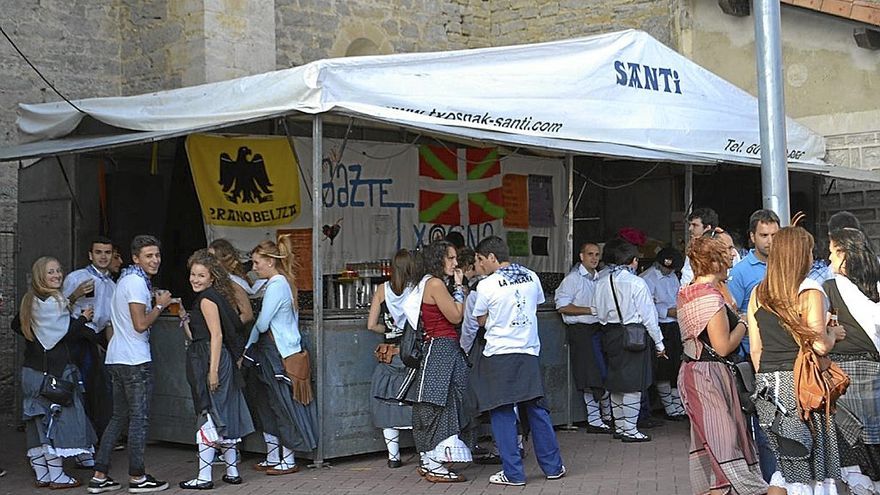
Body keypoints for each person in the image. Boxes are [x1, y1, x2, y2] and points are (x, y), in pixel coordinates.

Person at [747, 226, 846, 495]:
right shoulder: (809, 292)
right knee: (811, 465)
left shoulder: (759, 292)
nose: (813, 256)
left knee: (785, 465)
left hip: (768, 384)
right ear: (799, 255)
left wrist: (766, 378)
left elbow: (755, 348)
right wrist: (832, 333)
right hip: (802, 386)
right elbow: (819, 345)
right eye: (811, 250)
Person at [471, 236, 566, 486]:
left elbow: (479, 319)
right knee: (537, 409)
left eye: (480, 260)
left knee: (502, 413)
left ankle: (513, 474)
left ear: (492, 257)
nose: (479, 265)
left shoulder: (487, 285)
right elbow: (535, 305)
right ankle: (553, 467)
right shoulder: (531, 276)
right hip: (528, 351)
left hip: (499, 354)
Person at [677, 236, 768, 495]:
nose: (731, 258)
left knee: (713, 445)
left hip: (695, 372)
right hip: (708, 374)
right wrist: (744, 323)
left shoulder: (689, 291)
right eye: (726, 253)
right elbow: (723, 346)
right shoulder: (710, 298)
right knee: (724, 445)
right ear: (715, 261)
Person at [89, 235, 174, 494]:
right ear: (136, 258)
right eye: (149, 256)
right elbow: (140, 324)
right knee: (139, 419)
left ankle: (99, 475)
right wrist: (160, 305)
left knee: (118, 417)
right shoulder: (136, 283)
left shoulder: (124, 280)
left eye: (157, 255)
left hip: (117, 357)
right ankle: (137, 477)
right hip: (134, 359)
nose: (155, 260)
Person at [17, 257, 99, 490]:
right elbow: (63, 333)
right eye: (50, 272)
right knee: (59, 422)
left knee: (37, 423)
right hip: (52, 373)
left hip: (31, 372)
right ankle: (57, 476)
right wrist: (83, 319)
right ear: (40, 276)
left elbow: (18, 325)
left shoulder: (29, 300)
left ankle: (43, 475)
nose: (57, 275)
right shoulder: (53, 302)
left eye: (58, 270)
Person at [176, 249, 255, 489]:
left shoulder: (207, 299)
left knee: (209, 414)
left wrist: (212, 371)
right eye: (193, 274)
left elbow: (216, 335)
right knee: (226, 413)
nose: (195, 279)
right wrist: (185, 320)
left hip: (211, 359)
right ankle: (231, 472)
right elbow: (201, 335)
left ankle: (203, 477)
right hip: (218, 358)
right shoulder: (214, 297)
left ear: (212, 277)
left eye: (201, 275)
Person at [244, 235, 318, 475]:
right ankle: (276, 456)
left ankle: (285, 458)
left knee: (278, 404)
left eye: (256, 262)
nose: (254, 267)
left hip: (277, 353)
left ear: (270, 262)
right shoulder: (281, 282)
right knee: (270, 404)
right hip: (280, 351)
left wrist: (247, 346)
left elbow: (263, 323)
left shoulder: (276, 285)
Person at [399, 240, 472, 482]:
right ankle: (434, 461)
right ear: (438, 259)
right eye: (450, 258)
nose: (455, 263)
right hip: (442, 347)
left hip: (438, 348)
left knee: (437, 401)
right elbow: (455, 316)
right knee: (440, 402)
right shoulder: (436, 283)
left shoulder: (425, 282)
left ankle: (431, 458)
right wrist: (460, 288)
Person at [824, 228, 880, 493]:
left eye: (833, 251)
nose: (829, 257)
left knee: (851, 443)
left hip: (842, 377)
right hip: (873, 372)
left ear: (846, 254)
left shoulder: (830, 289)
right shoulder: (876, 286)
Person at [593, 238, 665, 443]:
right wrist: (659, 342)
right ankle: (631, 429)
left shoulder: (601, 281)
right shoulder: (636, 282)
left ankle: (621, 426)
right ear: (633, 261)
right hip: (633, 334)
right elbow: (649, 316)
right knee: (633, 384)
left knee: (616, 383)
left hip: (609, 334)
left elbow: (596, 311)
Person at [727, 209, 781, 482]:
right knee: (764, 424)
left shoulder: (786, 264)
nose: (770, 240)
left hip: (786, 356)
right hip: (754, 357)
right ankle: (771, 480)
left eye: (774, 234)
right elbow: (731, 314)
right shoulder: (740, 273)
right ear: (752, 237)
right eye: (764, 235)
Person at [62, 237, 116, 446]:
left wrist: (110, 350)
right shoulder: (76, 278)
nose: (103, 256)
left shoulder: (112, 285)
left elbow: (110, 322)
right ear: (90, 255)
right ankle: (75, 441)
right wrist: (75, 295)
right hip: (76, 337)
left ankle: (94, 440)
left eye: (107, 252)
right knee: (76, 389)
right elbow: (57, 309)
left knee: (97, 392)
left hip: (97, 339)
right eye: (99, 252)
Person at [366, 249, 417, 469]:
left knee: (387, 404)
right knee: (416, 401)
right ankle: (425, 454)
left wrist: (388, 331)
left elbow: (371, 325)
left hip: (389, 354)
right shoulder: (417, 290)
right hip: (412, 353)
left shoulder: (381, 290)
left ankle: (393, 457)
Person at [555, 242, 612, 433]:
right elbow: (562, 306)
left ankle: (606, 417)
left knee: (602, 373)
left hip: (598, 329)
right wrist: (590, 310)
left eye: (597, 254)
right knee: (590, 376)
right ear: (581, 256)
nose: (594, 258)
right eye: (590, 254)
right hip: (581, 330)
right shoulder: (572, 280)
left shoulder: (600, 278)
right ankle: (595, 420)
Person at [640, 247, 686, 420]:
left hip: (675, 326)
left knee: (675, 365)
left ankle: (677, 404)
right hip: (659, 325)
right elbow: (647, 306)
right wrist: (667, 311)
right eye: (667, 267)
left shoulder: (673, 277)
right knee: (662, 368)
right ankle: (669, 407)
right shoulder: (647, 278)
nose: (669, 271)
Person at [681, 207, 719, 285]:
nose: (690, 228)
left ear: (708, 228)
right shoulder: (692, 248)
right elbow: (687, 276)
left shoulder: (723, 249)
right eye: (690, 225)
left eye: (695, 225)